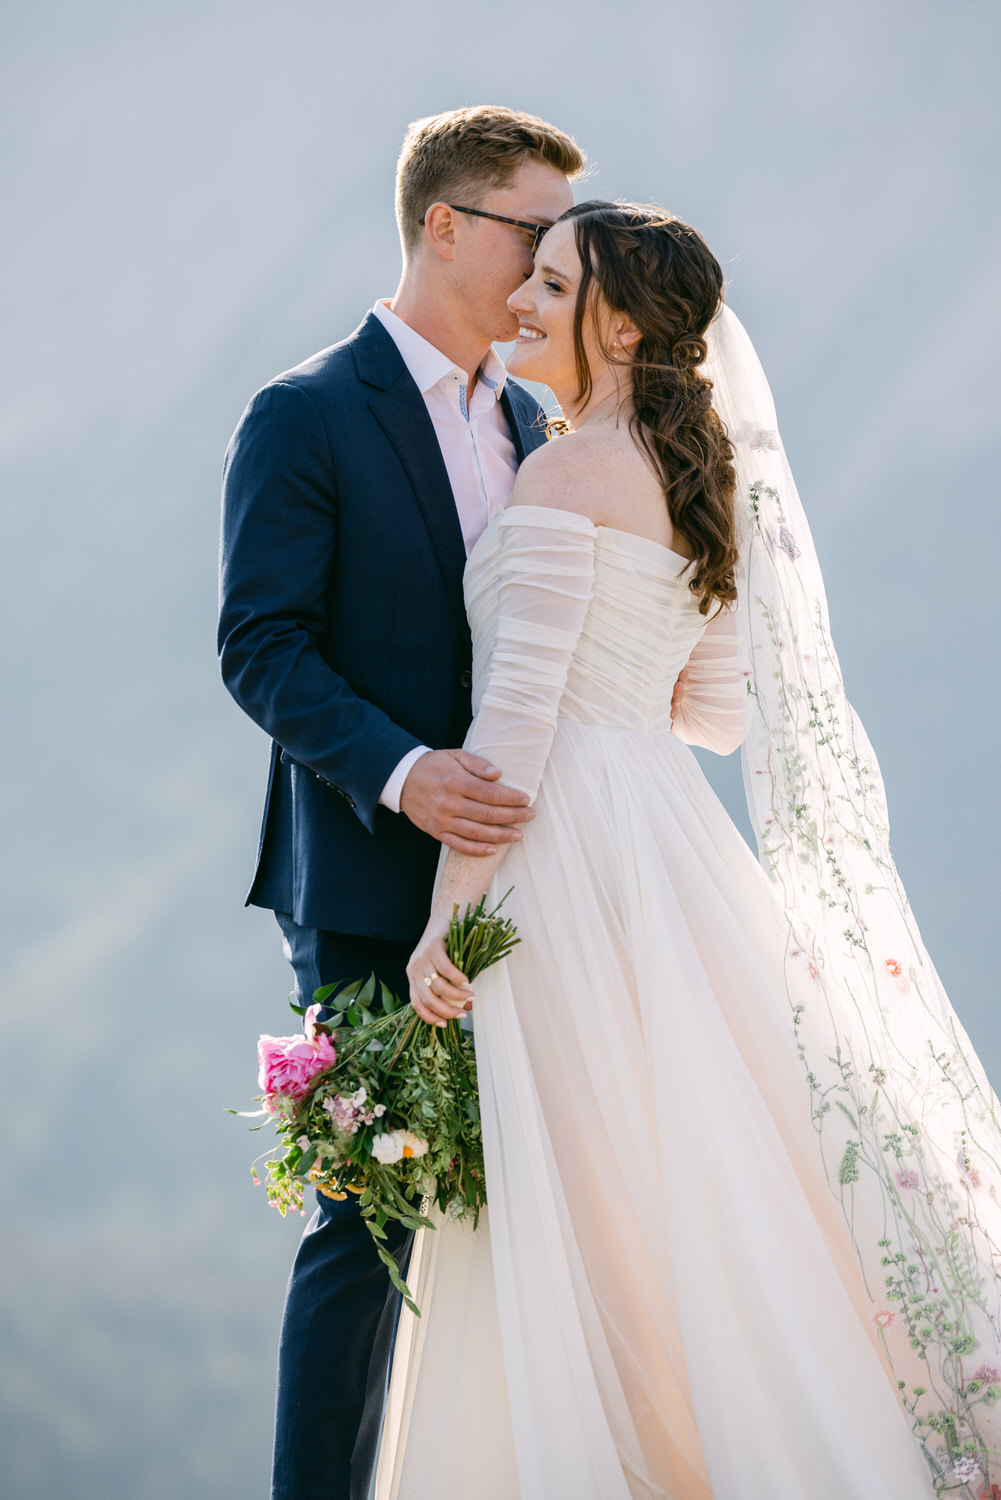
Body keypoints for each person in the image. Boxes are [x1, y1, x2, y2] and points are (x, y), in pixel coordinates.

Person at [375, 204, 1001, 1498]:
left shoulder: (557, 477)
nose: (522, 306)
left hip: (562, 867)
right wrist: (626, 698)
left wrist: (447, 928)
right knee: (709, 1192)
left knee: (594, 1220)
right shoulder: (693, 475)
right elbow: (711, 711)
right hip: (666, 837)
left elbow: (510, 740)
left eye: (551, 288)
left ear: (614, 322)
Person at [218, 105, 584, 1500]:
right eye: (533, 231)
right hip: (372, 883)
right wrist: (403, 772)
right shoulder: (306, 410)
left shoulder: (540, 418)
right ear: (444, 224)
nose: (557, 261)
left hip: (535, 884)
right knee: (371, 1220)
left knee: (549, 1202)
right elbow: (260, 643)